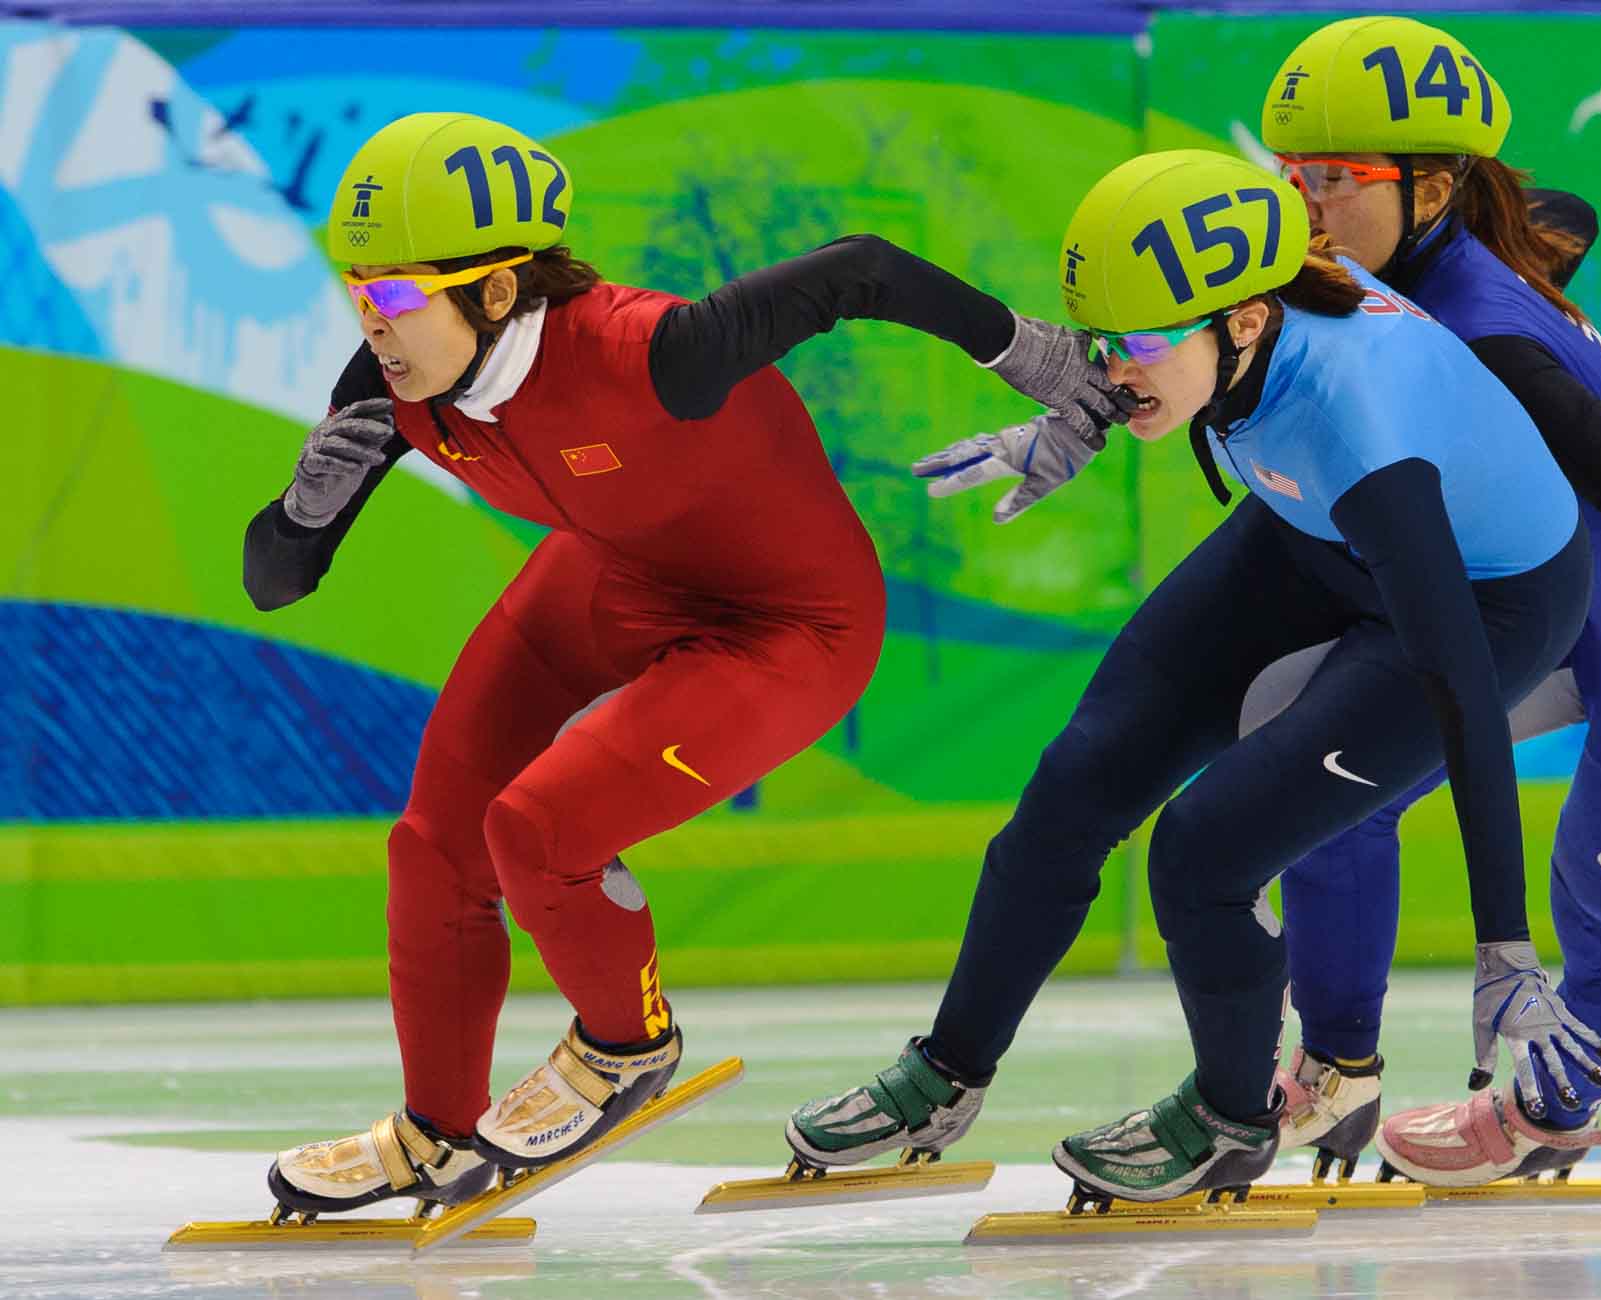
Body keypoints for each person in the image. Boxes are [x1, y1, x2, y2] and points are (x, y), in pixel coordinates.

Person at [244, 111, 1133, 1217]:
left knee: (539, 829)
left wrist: (1024, 349)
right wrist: (298, 512)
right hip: (610, 575)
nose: (369, 320)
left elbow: (858, 270)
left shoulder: (649, 351)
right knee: (433, 846)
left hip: (787, 623)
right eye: (356, 287)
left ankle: (627, 1045)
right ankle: (436, 1133)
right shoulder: (391, 381)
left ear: (497, 289)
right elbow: (275, 581)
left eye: (393, 292)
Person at [789, 148, 1601, 1206]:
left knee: (1203, 849)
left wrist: (1504, 940)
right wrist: (1075, 414)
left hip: (1480, 602)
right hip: (1310, 530)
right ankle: (947, 1070)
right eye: (1102, 345)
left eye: (1135, 349)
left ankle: (1230, 1118)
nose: (1114, 370)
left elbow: (1461, 700)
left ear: (1248, 321)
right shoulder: (1231, 315)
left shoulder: (1356, 423)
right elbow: (1133, 362)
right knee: (1072, 788)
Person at [1251, 16, 1601, 1185]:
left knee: (1600, 912)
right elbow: (1568, 213)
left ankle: (1544, 1115)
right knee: (1318, 770)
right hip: (1573, 618)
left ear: (1432, 185)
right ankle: (1339, 1068)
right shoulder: (1451, 243)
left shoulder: (1484, 335)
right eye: (1291, 177)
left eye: (1333, 179)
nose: (1304, 206)